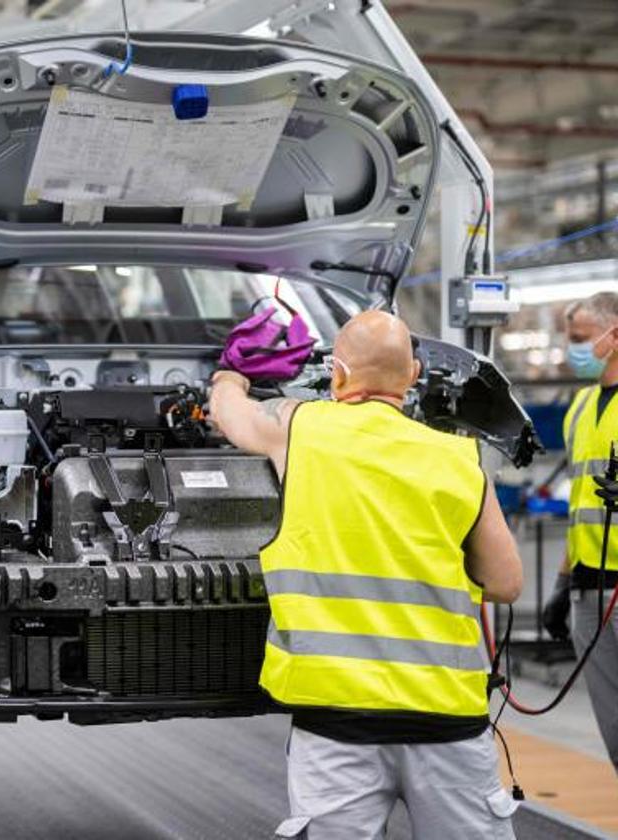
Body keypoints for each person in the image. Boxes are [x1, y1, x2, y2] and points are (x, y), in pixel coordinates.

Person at [209, 310, 524, 839]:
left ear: (336, 374)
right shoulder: (459, 458)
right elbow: (505, 582)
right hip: (446, 721)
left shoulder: (301, 428)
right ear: (416, 375)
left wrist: (231, 376)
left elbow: (230, 415)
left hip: (337, 725)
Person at [541, 290, 618, 773]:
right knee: (614, 732)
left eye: (582, 339)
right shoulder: (579, 408)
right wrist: (562, 585)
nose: (574, 350)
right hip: (589, 595)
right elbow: (579, 507)